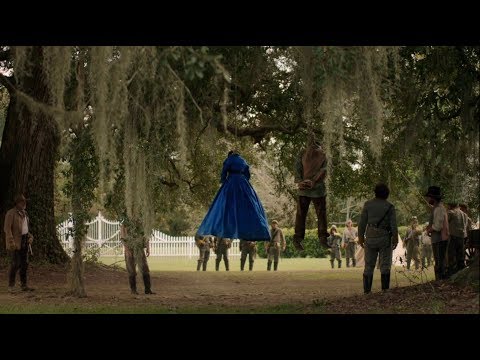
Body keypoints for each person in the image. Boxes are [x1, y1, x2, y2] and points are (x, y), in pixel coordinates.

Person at [196, 150, 270, 242]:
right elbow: (247, 174)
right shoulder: (243, 160)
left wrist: (223, 181)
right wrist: (244, 182)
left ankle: (226, 227)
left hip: (231, 181)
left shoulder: (229, 159)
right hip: (243, 182)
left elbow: (224, 171)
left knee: (225, 205)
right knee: (249, 206)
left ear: (230, 155)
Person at [358, 183, 398, 294]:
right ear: (386, 194)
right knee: (385, 264)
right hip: (384, 237)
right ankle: (385, 290)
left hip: (370, 237)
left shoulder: (367, 204)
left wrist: (360, 238)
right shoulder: (389, 206)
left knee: (369, 265)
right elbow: (393, 225)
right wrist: (395, 239)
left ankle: (367, 291)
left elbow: (362, 223)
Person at [292, 133, 329, 251]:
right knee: (320, 215)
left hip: (309, 189)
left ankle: (298, 239)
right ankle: (322, 238)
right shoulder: (323, 154)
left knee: (301, 215)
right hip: (315, 189)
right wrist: (307, 181)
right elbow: (323, 170)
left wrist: (301, 181)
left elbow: (297, 167)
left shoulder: (303, 152)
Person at [4, 194, 34, 292]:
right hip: (15, 242)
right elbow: (7, 229)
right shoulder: (10, 213)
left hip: (25, 240)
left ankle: (23, 285)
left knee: (25, 264)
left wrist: (30, 236)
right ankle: (11, 286)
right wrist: (11, 242)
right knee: (15, 264)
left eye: (25, 202)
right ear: (17, 203)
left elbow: (25, 229)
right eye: (22, 202)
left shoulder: (25, 213)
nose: (24, 204)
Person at [119, 217, 155, 295]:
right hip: (129, 250)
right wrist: (127, 249)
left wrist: (148, 248)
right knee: (131, 271)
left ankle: (148, 289)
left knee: (145, 269)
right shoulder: (124, 224)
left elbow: (145, 236)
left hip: (139, 249)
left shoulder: (141, 223)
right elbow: (122, 238)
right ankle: (133, 290)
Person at [424, 186, 449, 280]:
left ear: (433, 198)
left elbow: (438, 227)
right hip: (438, 239)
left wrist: (429, 229)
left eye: (429, 197)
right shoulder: (437, 208)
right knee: (439, 262)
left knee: (440, 263)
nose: (427, 199)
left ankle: (440, 282)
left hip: (440, 240)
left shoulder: (438, 209)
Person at [446, 202, 467, 276]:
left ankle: (452, 272)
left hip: (453, 236)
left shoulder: (451, 212)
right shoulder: (463, 214)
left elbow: (445, 222)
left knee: (452, 255)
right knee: (460, 255)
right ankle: (461, 271)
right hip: (462, 236)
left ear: (450, 206)